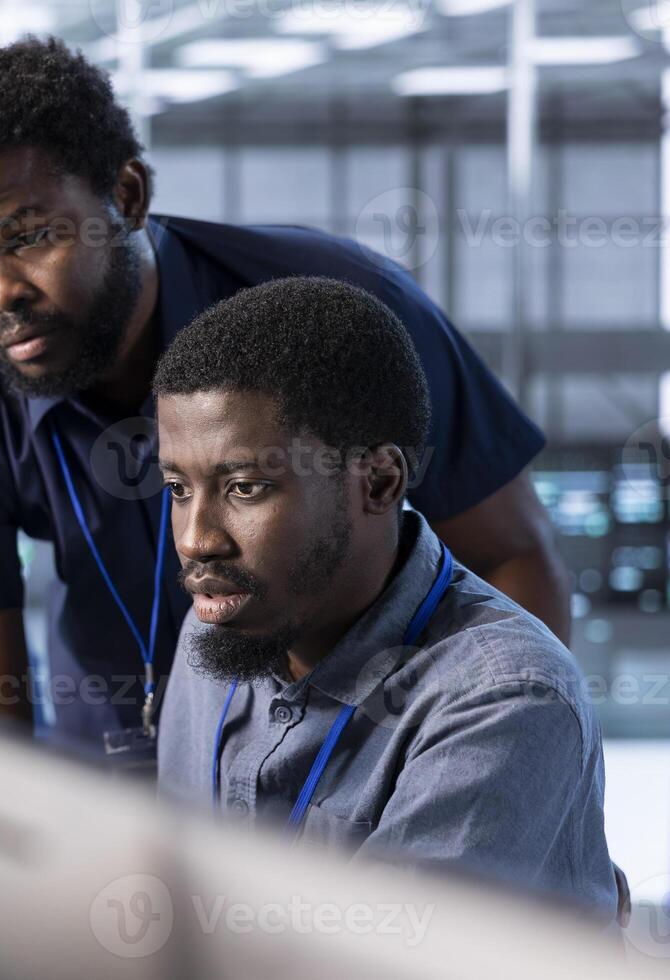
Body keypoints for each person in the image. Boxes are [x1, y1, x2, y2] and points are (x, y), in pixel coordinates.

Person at [0, 37, 570, 748]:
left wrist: (503, 765)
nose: (0, 296)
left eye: (29, 238)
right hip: (115, 780)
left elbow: (507, 556)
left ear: (126, 196)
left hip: (356, 758)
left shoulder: (348, 311)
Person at [152, 276, 621, 922]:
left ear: (378, 481)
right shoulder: (216, 630)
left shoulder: (507, 697)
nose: (196, 541)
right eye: (178, 488)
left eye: (246, 488)